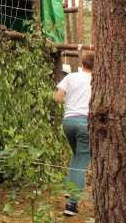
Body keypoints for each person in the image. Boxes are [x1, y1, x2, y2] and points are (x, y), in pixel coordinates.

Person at [54, 51, 94, 217]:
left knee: (76, 155)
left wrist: (69, 102)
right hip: (85, 124)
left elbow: (57, 98)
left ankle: (70, 189)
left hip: (68, 123)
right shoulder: (97, 80)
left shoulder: (70, 77)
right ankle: (72, 205)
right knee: (82, 162)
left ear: (81, 63)